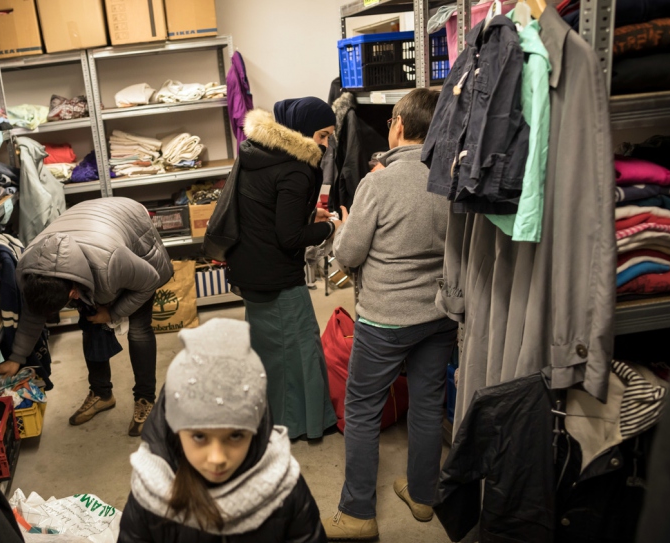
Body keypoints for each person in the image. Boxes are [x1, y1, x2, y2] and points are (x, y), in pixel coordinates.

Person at [321, 88, 454, 540]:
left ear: (398, 124)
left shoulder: (377, 183)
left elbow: (350, 254)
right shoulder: (452, 176)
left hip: (385, 319)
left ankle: (358, 513)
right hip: (438, 314)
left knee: (361, 408)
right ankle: (422, 495)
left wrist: (341, 230)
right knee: (427, 402)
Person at [119, 318, 327, 543]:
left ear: (256, 429)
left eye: (236, 435)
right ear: (175, 428)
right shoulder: (150, 492)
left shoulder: (284, 489)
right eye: (199, 436)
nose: (217, 458)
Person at [0, 197, 173, 437]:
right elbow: (32, 315)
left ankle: (145, 399)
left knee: (138, 329)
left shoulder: (111, 263)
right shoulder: (29, 272)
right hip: (85, 230)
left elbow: (149, 281)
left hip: (129, 223)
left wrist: (112, 312)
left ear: (72, 292)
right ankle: (101, 393)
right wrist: (17, 357)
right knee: (90, 323)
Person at [225, 97, 339, 441]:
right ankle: (300, 424)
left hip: (249, 270)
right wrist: (333, 227)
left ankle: (271, 417)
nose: (325, 144)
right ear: (302, 131)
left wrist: (307, 216)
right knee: (300, 349)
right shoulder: (297, 168)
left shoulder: (256, 152)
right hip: (277, 276)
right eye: (322, 135)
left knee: (269, 354)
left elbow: (265, 210)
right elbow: (290, 237)